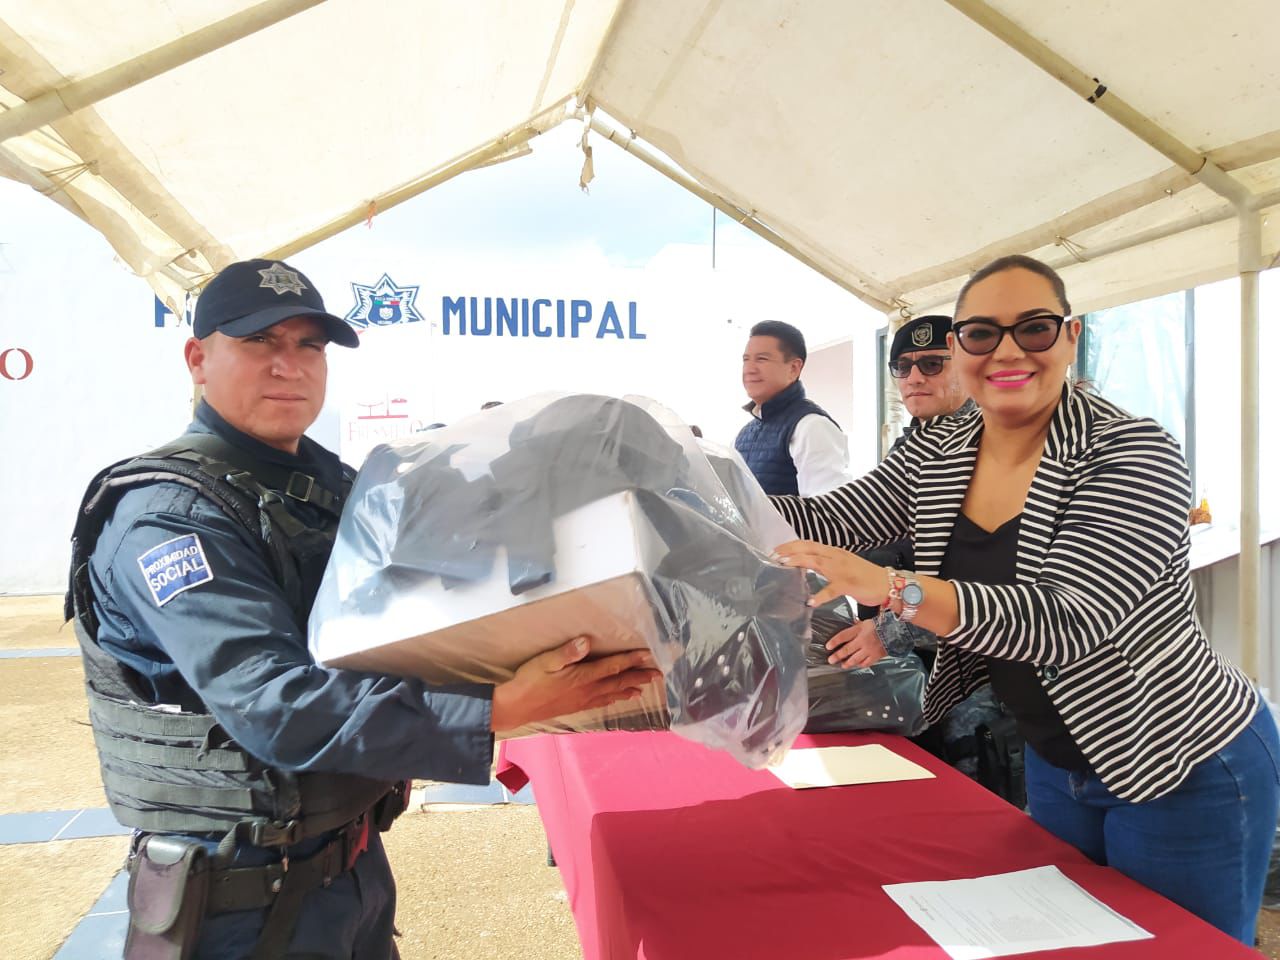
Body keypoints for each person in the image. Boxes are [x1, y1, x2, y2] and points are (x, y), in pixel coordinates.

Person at [66, 259, 659, 960]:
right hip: (236, 898)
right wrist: (496, 708)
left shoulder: (332, 485)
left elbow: (441, 593)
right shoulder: (168, 517)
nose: (289, 366)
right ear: (199, 358)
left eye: (308, 346)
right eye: (260, 342)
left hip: (347, 869)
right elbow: (270, 702)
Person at [771, 254, 1279, 945]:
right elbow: (834, 520)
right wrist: (684, 497)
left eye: (1034, 328)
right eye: (982, 333)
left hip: (1179, 759)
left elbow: (1066, 621)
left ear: (1070, 336)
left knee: (1180, 949)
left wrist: (896, 589)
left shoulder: (1133, 452)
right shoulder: (940, 450)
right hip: (1056, 758)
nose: (1008, 350)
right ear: (958, 349)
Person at [735, 320, 850, 496]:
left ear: (793, 368)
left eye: (762, 359)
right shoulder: (745, 434)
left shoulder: (811, 426)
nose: (749, 369)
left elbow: (826, 513)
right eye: (746, 360)